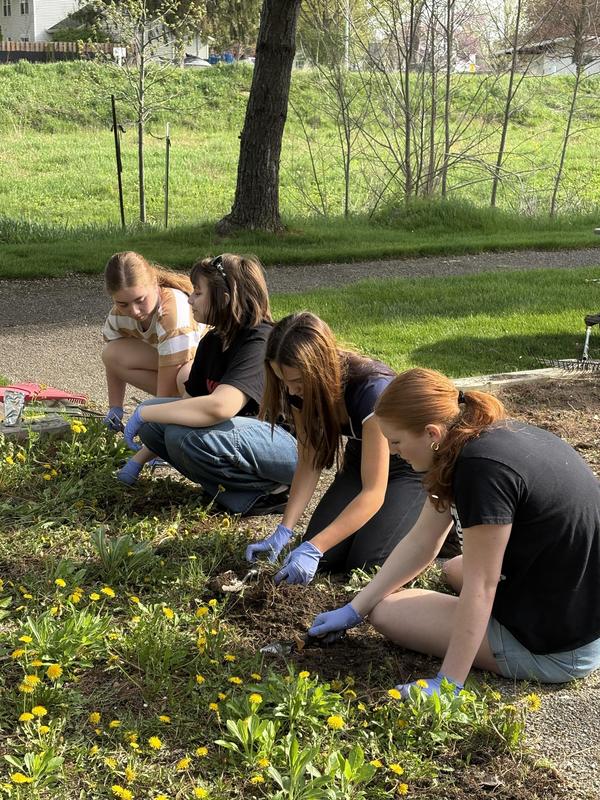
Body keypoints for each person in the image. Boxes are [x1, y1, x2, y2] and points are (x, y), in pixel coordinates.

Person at [308, 367, 600, 695]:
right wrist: (354, 608)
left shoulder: (480, 472)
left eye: (397, 441)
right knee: (452, 567)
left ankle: (494, 650)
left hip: (558, 647)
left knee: (387, 612)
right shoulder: (475, 436)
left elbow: (482, 587)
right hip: (570, 599)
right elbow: (422, 541)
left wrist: (448, 682)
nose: (392, 451)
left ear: (432, 434)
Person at [245, 312, 425, 584]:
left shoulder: (371, 391)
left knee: (367, 562)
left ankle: (433, 526)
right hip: (362, 459)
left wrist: (315, 547)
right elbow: (309, 460)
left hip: (410, 466)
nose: (292, 392)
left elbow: (373, 492)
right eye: (284, 382)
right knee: (328, 558)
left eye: (297, 383)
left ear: (319, 369)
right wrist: (285, 530)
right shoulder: (299, 392)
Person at [118, 254, 298, 516]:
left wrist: (144, 410)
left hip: (285, 449)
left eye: (198, 293)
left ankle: (270, 492)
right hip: (241, 441)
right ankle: (228, 491)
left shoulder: (259, 340)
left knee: (180, 435)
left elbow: (220, 407)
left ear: (224, 300)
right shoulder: (212, 341)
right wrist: (138, 459)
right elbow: (187, 406)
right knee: (156, 429)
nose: (190, 299)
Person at [102, 251, 204, 432]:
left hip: (206, 374)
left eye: (140, 300)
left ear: (154, 284)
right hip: (172, 365)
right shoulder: (119, 315)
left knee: (184, 377)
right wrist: (115, 407)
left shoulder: (173, 315)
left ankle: (187, 419)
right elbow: (113, 361)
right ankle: (178, 408)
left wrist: (153, 425)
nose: (133, 311)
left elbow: (165, 388)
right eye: (122, 304)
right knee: (111, 354)